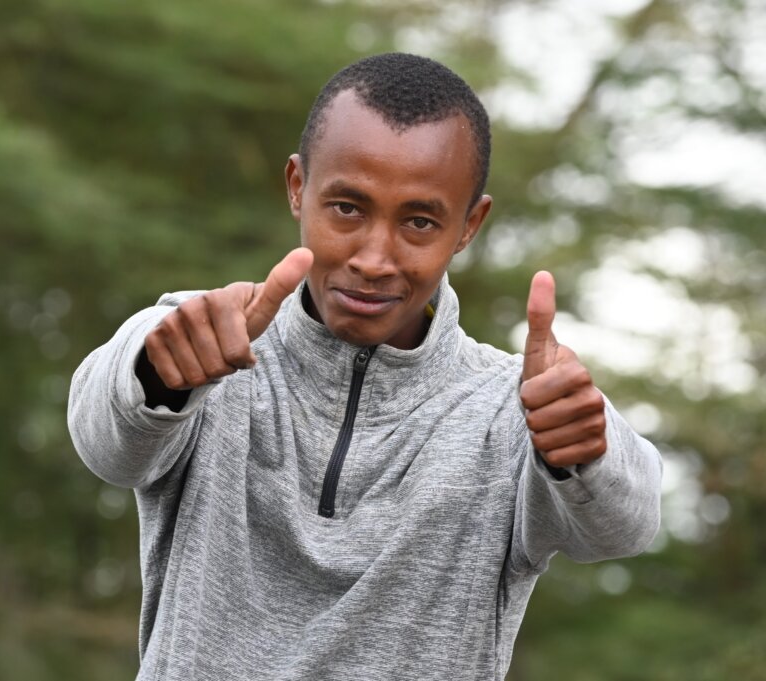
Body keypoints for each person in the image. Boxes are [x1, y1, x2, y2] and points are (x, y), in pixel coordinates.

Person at [68, 52, 662, 680]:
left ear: (468, 225)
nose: (376, 258)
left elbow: (626, 526)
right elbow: (105, 442)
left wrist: (583, 451)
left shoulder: (511, 410)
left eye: (420, 221)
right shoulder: (206, 341)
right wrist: (161, 372)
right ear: (298, 187)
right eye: (348, 208)